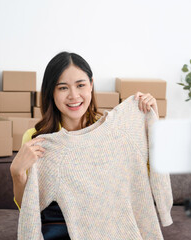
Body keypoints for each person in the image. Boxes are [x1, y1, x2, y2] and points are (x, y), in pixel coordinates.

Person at [10, 51, 159, 239]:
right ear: (51, 92)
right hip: (60, 230)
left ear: (91, 85)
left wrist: (152, 123)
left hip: (109, 227)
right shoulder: (37, 139)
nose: (74, 96)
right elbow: (29, 210)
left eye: (80, 85)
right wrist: (17, 174)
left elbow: (144, 175)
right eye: (63, 88)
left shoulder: (112, 131)